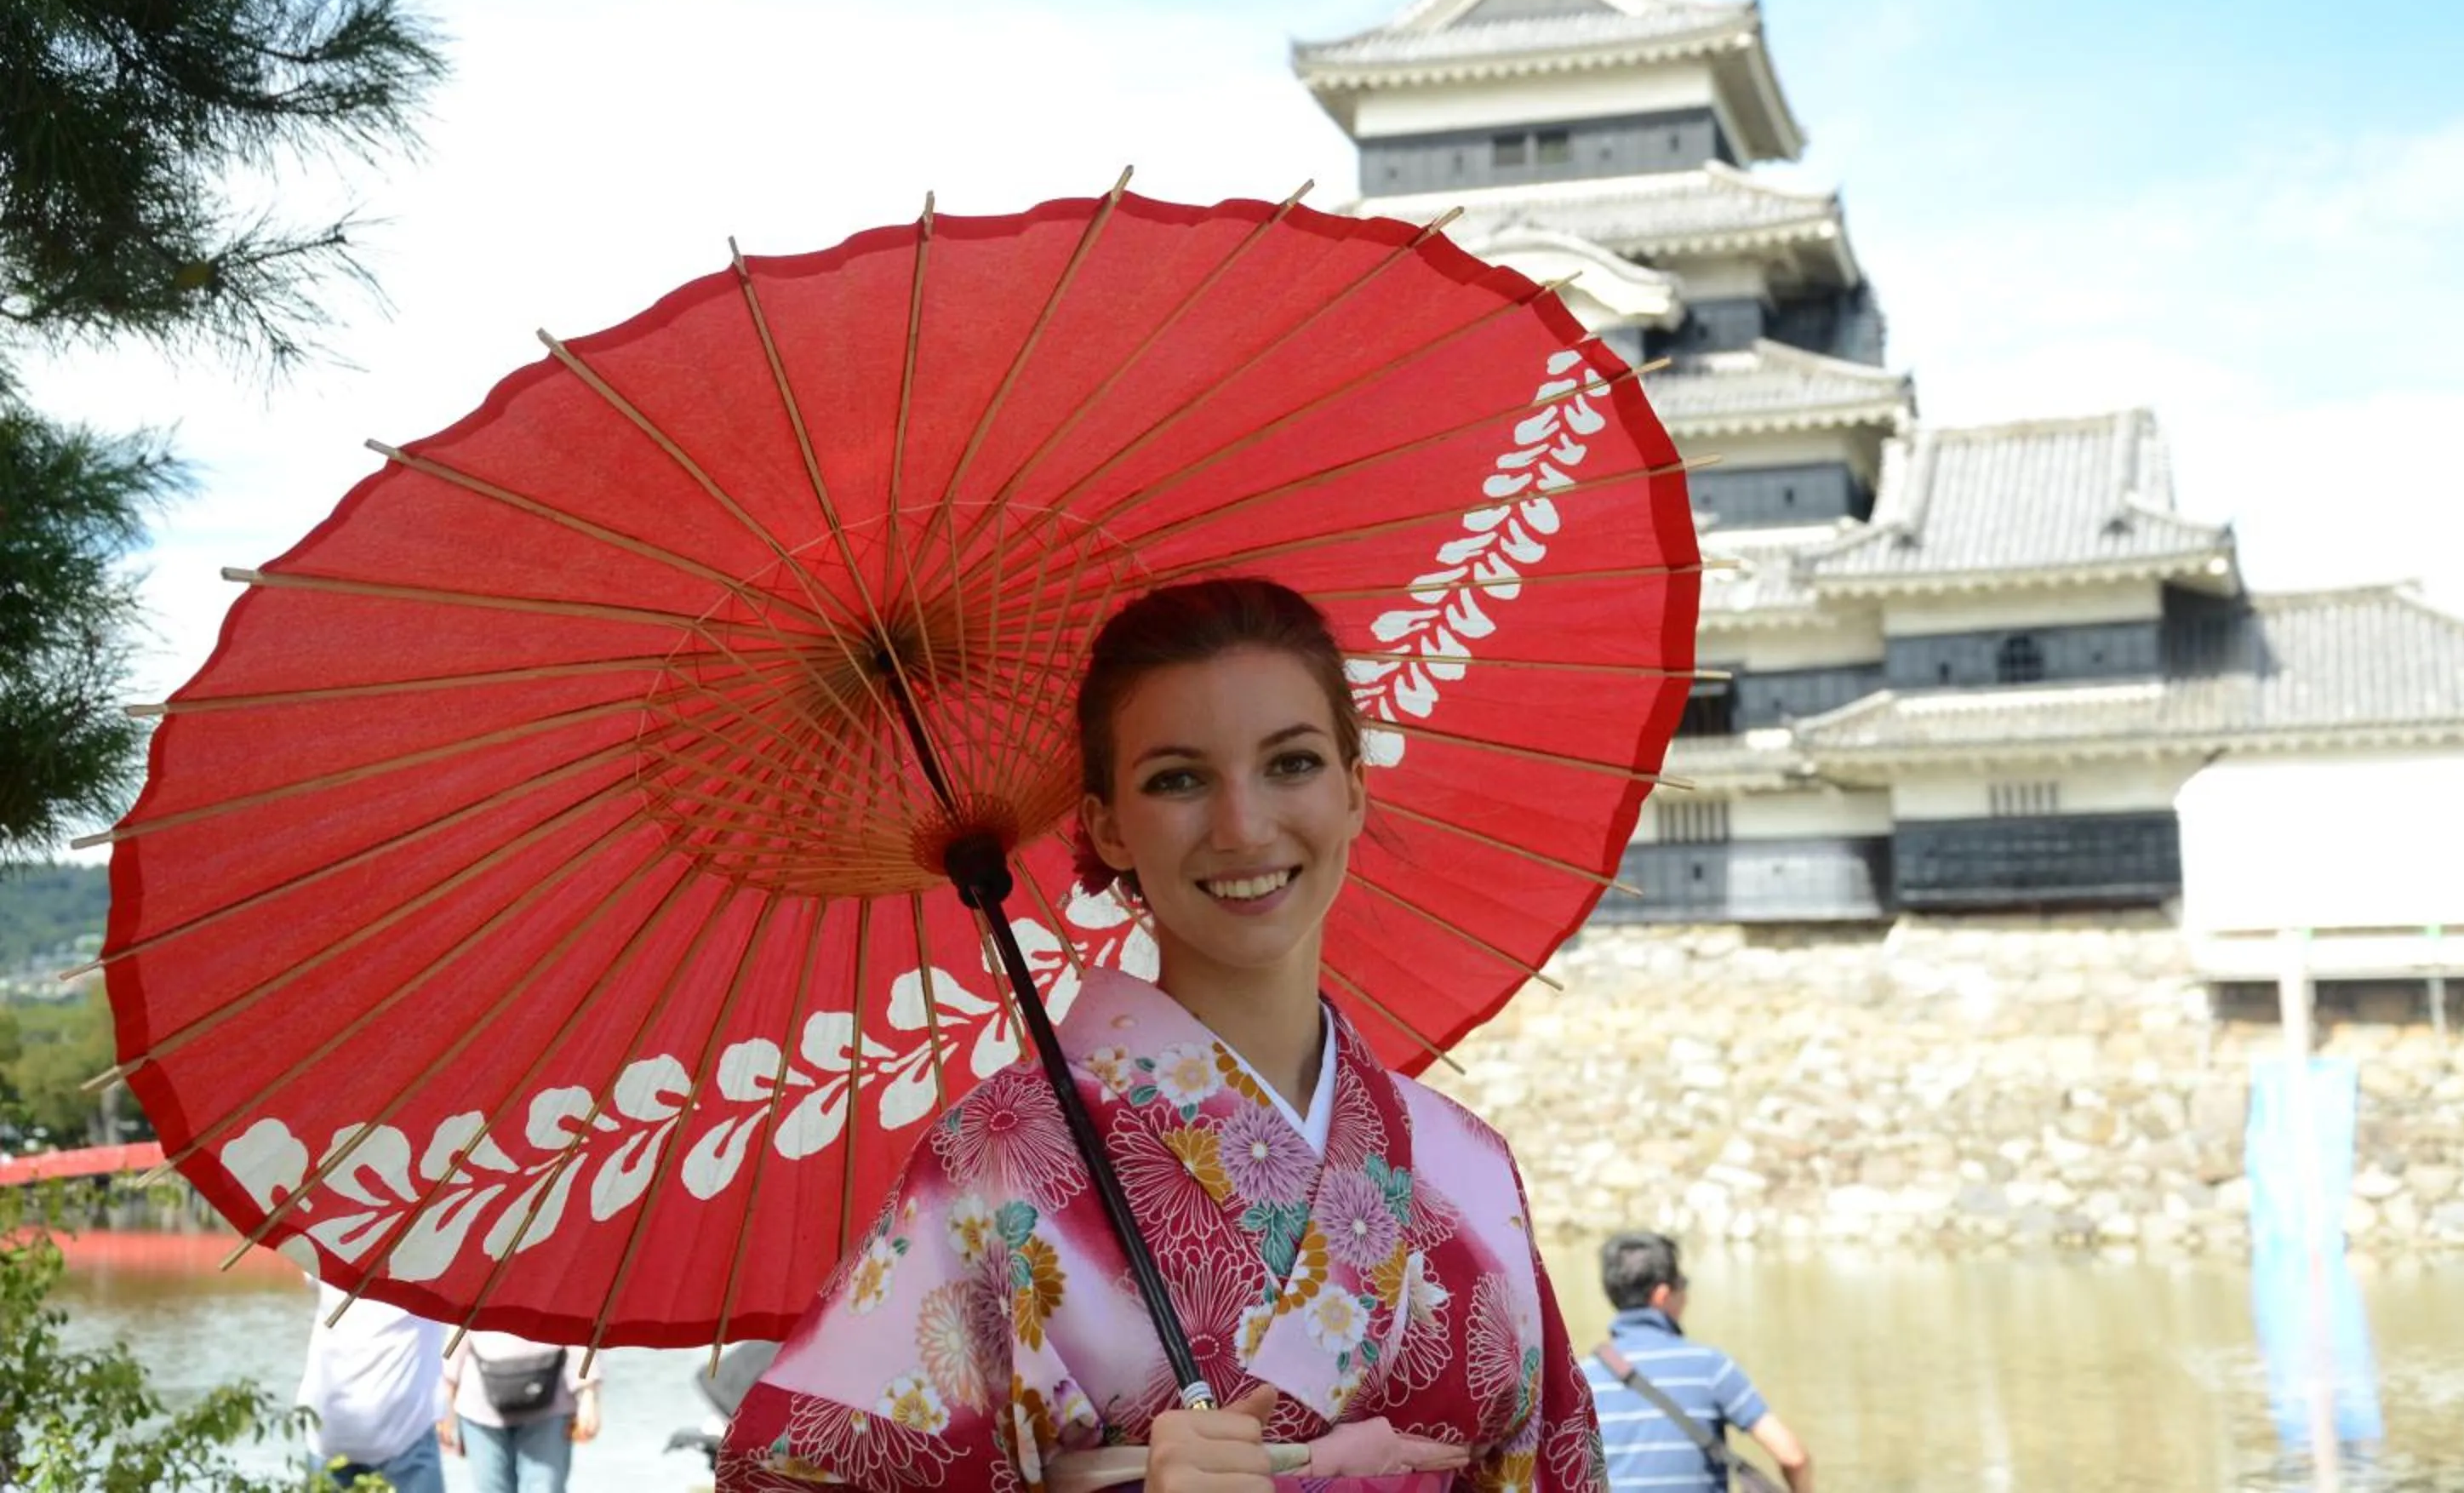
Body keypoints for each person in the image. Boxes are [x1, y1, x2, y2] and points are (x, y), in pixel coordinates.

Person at [717, 577, 1603, 1490]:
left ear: (1355, 789)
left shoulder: (1469, 1160)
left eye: (1291, 762)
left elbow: (1554, 1460)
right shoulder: (1003, 1164)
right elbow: (791, 1474)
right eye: (1177, 778)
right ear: (1108, 825)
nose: (1243, 824)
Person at [1578, 1233, 1812, 1493]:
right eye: (1683, 1283)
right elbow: (1793, 1457)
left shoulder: (1582, 1379)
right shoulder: (1711, 1368)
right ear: (1663, 1295)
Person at [296, 1280, 447, 1493]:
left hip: (330, 1427)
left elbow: (308, 1272)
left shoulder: (333, 1252)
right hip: (405, 1429)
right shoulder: (434, 1261)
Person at [438, 1330, 602, 1493]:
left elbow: (578, 1325)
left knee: (545, 1487)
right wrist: (446, 1397)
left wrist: (588, 1394)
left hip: (550, 1402)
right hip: (480, 1405)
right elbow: (458, 1327)